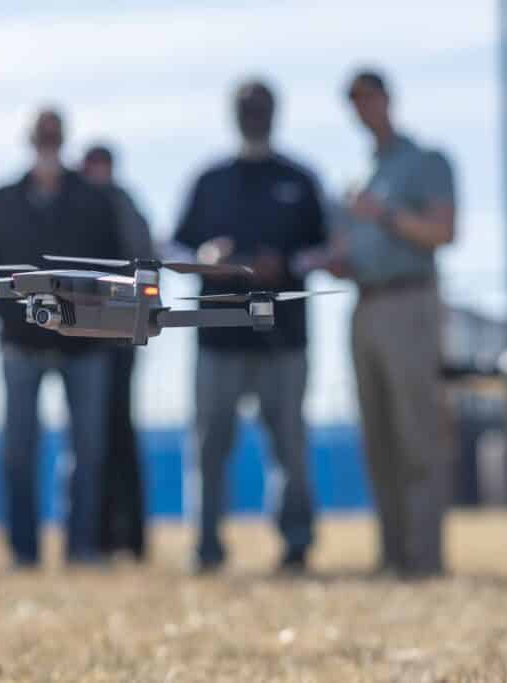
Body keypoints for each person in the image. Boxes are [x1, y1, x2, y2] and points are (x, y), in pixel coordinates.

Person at [296, 68, 457, 578]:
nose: (363, 109)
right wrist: (329, 260)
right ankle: (393, 557)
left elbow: (442, 231)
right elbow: (351, 248)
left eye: (369, 98)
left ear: (388, 98)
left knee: (418, 435)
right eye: (354, 102)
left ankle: (426, 560)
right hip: (363, 305)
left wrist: (382, 214)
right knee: (379, 438)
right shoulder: (363, 174)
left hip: (410, 304)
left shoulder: (425, 161)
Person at [172, 79, 328, 574]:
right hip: (218, 338)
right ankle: (206, 547)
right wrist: (206, 260)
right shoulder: (209, 180)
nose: (253, 114)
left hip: (284, 339)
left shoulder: (300, 179)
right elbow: (173, 250)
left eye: (260, 107)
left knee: (290, 444)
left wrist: (284, 264)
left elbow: (326, 249)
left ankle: (296, 544)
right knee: (209, 445)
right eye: (245, 107)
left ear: (275, 113)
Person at [0, 109, 127, 568]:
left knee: (88, 451)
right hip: (21, 345)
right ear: (30, 140)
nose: (49, 145)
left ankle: (81, 548)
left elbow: (116, 266)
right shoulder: (2, 200)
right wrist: (13, 313)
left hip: (84, 346)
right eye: (42, 137)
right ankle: (23, 551)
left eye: (55, 137)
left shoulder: (94, 200)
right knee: (18, 452)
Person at [81, 143, 153, 561]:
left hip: (117, 340)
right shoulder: (86, 206)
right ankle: (99, 536)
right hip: (86, 342)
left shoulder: (122, 205)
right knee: (93, 441)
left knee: (116, 435)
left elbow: (142, 267)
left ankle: (126, 538)